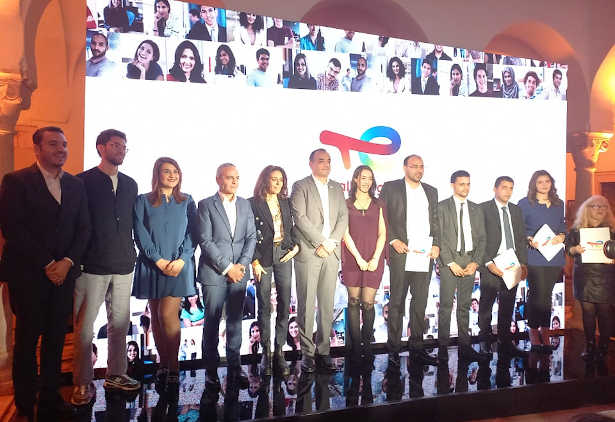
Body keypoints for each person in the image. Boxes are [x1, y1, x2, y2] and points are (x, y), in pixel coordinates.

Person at [0, 126, 90, 420]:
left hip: (64, 275)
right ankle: (25, 405)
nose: (61, 149)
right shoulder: (16, 181)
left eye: (64, 144)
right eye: (53, 144)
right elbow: (13, 228)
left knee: (55, 340)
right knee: (27, 341)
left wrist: (67, 262)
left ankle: (51, 399)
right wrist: (49, 264)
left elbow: (84, 228)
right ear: (37, 149)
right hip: (28, 276)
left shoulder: (76, 185)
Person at [70, 129, 140, 407]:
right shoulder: (82, 181)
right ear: (101, 147)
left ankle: (116, 375)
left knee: (120, 324)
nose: (120, 150)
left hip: (124, 264)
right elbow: (75, 223)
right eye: (115, 145)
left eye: (124, 146)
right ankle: (82, 381)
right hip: (91, 265)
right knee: (84, 327)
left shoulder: (131, 184)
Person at [133, 157, 198, 401]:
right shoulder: (143, 201)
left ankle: (173, 367)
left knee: (166, 314)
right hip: (153, 265)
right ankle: (163, 365)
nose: (172, 175)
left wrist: (182, 259)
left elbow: (193, 233)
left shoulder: (187, 201)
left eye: (175, 171)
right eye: (167, 171)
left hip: (179, 266)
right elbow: (140, 233)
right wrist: (158, 260)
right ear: (157, 174)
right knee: (156, 318)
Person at [197, 163, 257, 389]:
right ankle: (210, 371)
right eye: (230, 177)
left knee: (235, 321)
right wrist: (227, 268)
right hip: (214, 273)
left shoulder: (244, 204)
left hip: (239, 273)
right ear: (218, 179)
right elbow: (205, 241)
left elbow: (251, 237)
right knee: (212, 322)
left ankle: (235, 366)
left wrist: (241, 265)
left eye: (237, 177)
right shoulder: (205, 205)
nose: (235, 181)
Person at [291, 149, 348, 373]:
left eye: (329, 161)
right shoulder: (300, 186)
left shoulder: (336, 187)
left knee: (327, 305)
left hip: (331, 253)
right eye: (321, 160)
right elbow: (300, 218)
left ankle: (324, 352)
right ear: (311, 163)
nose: (326, 164)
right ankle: (307, 353)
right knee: (306, 304)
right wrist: (321, 242)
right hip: (309, 252)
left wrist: (331, 243)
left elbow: (343, 216)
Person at [380, 155, 440, 367]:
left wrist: (437, 244)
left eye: (421, 166)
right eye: (414, 166)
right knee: (396, 302)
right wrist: (392, 240)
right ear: (405, 167)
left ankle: (417, 348)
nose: (419, 170)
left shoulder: (431, 191)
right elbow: (382, 218)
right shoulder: (391, 188)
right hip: (401, 252)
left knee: (420, 302)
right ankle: (394, 351)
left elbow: (436, 221)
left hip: (425, 253)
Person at [249, 165, 299, 376]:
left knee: (285, 302)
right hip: (262, 257)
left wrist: (296, 247)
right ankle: (265, 353)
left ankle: (279, 351)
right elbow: (249, 233)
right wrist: (254, 261)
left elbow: (292, 228)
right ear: (265, 180)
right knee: (263, 304)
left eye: (281, 179)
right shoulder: (253, 203)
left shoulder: (286, 202)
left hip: (284, 254)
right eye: (274, 179)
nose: (278, 183)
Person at [437, 170, 488, 362]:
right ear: (453, 185)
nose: (465, 188)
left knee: (464, 306)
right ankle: (442, 348)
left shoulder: (476, 208)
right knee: (446, 306)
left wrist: (475, 262)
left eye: (468, 184)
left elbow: (482, 238)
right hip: (449, 262)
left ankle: (465, 347)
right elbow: (439, 237)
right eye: (461, 184)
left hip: (469, 262)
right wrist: (450, 262)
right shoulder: (442, 207)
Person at [478, 176, 528, 357]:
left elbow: (521, 238)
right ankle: (484, 341)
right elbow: (478, 240)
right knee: (486, 305)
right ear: (495, 189)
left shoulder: (516, 210)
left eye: (511, 188)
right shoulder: (483, 208)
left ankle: (505, 342)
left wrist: (523, 263)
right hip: (491, 263)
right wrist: (488, 263)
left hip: (512, 263)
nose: (508, 191)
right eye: (504, 187)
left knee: (507, 306)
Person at [342, 165, 386, 367]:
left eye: (370, 178)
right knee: (353, 301)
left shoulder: (378, 204)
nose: (367, 181)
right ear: (355, 180)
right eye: (363, 178)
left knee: (368, 303)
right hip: (352, 258)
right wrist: (358, 258)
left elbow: (383, 233)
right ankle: (355, 349)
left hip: (374, 258)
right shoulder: (346, 204)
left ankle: (367, 345)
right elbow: (344, 233)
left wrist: (375, 258)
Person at [518, 170, 566, 353]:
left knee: (547, 295)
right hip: (534, 255)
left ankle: (545, 331)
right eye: (540, 182)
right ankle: (532, 330)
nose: (544, 185)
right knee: (536, 294)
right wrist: (529, 239)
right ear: (534, 184)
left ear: (551, 183)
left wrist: (562, 235)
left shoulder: (559, 204)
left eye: (547, 181)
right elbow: (519, 229)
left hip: (554, 256)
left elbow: (562, 225)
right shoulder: (524, 203)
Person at [566, 195, 615, 361]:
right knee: (587, 312)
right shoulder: (576, 230)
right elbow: (568, 248)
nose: (600, 209)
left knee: (604, 313)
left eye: (603, 206)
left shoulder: (612, 230)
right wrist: (575, 250)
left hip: (605, 277)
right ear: (587, 209)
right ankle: (590, 346)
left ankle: (604, 347)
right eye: (596, 206)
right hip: (585, 276)